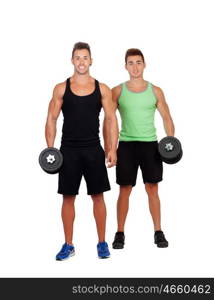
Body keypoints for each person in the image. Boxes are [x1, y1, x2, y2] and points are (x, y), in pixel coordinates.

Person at [45, 42, 118, 260]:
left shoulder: (102, 88)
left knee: (98, 196)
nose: (81, 62)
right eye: (77, 57)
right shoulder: (61, 88)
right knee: (68, 198)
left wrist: (111, 148)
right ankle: (68, 245)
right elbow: (51, 118)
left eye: (85, 57)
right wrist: (50, 150)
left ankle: (102, 243)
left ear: (91, 60)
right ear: (72, 61)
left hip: (93, 149)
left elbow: (111, 119)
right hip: (68, 150)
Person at [107, 48, 175, 249]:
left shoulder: (155, 90)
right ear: (125, 66)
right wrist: (111, 147)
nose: (135, 67)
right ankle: (119, 232)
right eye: (130, 63)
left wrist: (170, 141)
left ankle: (158, 231)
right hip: (127, 145)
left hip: (151, 145)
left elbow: (167, 118)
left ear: (144, 64)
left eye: (138, 62)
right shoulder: (117, 91)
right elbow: (110, 121)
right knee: (124, 189)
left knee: (152, 188)